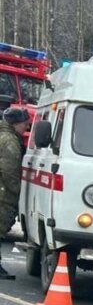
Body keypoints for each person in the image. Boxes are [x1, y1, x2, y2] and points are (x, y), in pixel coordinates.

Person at [0, 106, 31, 280]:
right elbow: (10, 170)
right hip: (3, 193)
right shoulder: (10, 141)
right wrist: (18, 192)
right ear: (16, 123)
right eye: (25, 124)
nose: (26, 128)